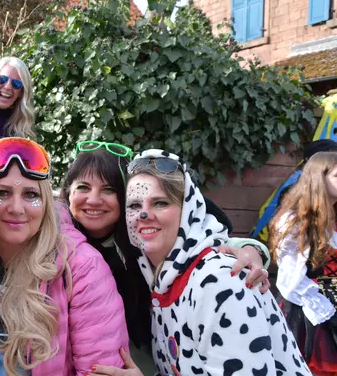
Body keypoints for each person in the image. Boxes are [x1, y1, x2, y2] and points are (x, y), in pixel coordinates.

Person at [61, 142, 272, 376]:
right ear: (68, 192)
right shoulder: (54, 242)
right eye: (83, 187)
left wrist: (249, 248)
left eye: (108, 189)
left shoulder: (142, 239)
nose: (93, 199)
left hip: (152, 356)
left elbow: (198, 230)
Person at [95, 149, 311, 376]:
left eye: (160, 203)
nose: (144, 215)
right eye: (134, 206)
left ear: (187, 211)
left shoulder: (219, 281)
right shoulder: (162, 278)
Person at [0, 137, 127, 375]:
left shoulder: (83, 268)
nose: (16, 208)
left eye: (30, 195)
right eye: (1, 193)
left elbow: (100, 369)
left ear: (45, 202)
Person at [270, 151, 337, 375]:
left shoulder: (334, 217)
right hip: (307, 312)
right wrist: (325, 309)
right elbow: (291, 279)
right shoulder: (295, 221)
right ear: (319, 178)